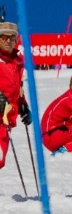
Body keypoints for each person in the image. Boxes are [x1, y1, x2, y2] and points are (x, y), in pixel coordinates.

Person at [0, 21, 29, 171]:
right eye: (4, 37)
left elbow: (19, 88)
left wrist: (23, 105)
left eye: (12, 38)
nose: (8, 41)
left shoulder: (17, 61)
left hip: (6, 118)